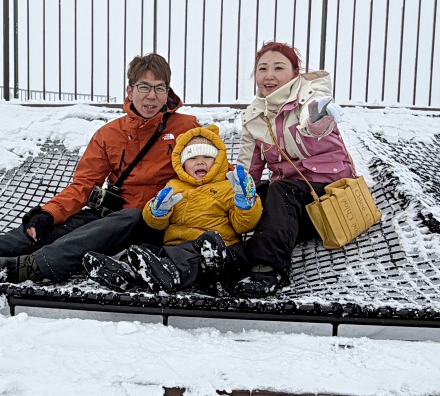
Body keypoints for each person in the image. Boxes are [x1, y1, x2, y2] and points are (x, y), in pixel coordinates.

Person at [0, 53, 200, 284]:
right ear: (130, 90)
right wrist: (48, 214)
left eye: (159, 88)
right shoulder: (110, 134)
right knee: (46, 230)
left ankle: (31, 267)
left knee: (124, 220)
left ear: (168, 91)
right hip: (112, 215)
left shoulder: (187, 128)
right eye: (144, 87)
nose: (152, 96)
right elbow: (83, 185)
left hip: (153, 221)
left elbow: (207, 169)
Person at [232, 41, 354, 298]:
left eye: (278, 68)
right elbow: (248, 166)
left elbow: (313, 124)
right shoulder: (255, 115)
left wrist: (321, 114)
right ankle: (226, 258)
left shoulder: (310, 95)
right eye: (262, 68)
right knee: (258, 197)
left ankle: (268, 269)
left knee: (280, 191)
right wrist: (237, 195)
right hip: (294, 197)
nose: (269, 75)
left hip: (328, 191)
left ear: (295, 71)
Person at [82, 124, 261, 294]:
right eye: (192, 158)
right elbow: (157, 225)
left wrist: (245, 204)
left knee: (201, 247)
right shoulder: (174, 186)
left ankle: (169, 274)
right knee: (149, 248)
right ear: (181, 164)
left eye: (207, 157)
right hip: (175, 247)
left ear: (219, 160)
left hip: (221, 255)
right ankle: (125, 271)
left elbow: (243, 226)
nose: (200, 162)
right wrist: (156, 212)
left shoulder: (229, 186)